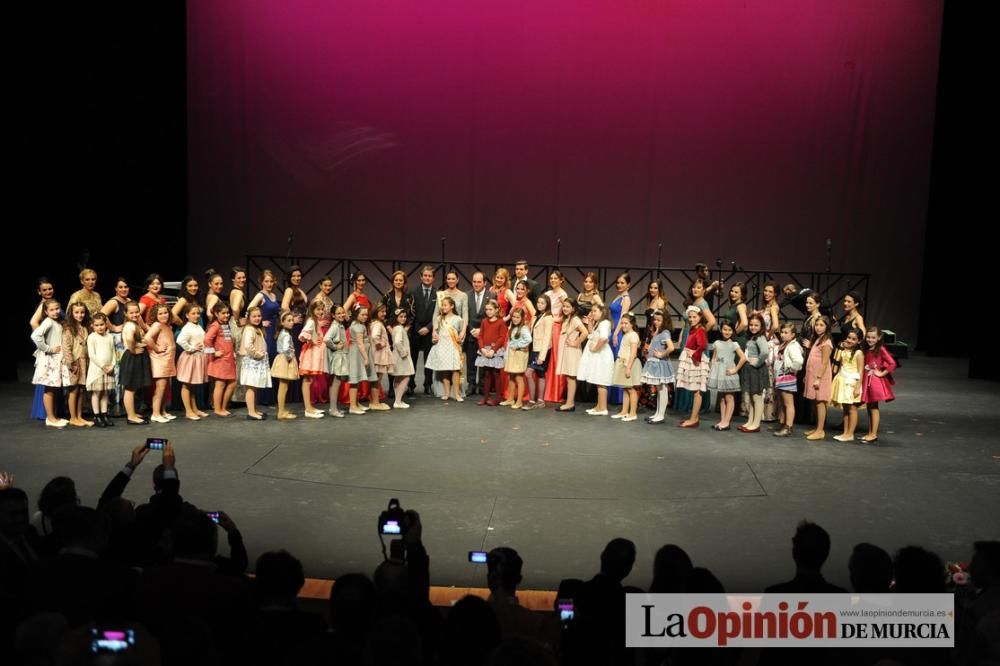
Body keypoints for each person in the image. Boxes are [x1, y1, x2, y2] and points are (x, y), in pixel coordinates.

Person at [31, 299, 67, 428]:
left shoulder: (56, 322)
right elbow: (35, 336)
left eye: (57, 309)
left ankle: (53, 416)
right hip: (50, 359)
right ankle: (50, 418)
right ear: (46, 311)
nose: (55, 312)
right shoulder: (47, 322)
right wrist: (48, 348)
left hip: (56, 359)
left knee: (52, 388)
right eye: (51, 310)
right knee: (49, 388)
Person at [707, 320, 747, 431]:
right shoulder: (717, 343)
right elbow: (714, 358)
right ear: (721, 330)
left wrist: (735, 369)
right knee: (722, 398)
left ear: (733, 331)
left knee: (729, 397)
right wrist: (712, 369)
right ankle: (722, 420)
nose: (727, 332)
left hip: (728, 373)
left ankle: (726, 422)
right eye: (725, 329)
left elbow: (743, 358)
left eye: (729, 330)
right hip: (719, 373)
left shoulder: (734, 344)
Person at [860, 326, 897, 443]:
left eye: (873, 338)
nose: (870, 340)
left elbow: (892, 363)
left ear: (879, 338)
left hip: (874, 381)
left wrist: (881, 373)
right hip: (867, 379)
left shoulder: (880, 349)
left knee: (874, 407)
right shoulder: (868, 348)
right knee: (869, 406)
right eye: (868, 337)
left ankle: (874, 434)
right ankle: (870, 432)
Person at [676, 306, 709, 428]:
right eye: (690, 317)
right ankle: (694, 417)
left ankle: (693, 419)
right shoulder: (692, 329)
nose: (691, 319)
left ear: (700, 317)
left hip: (696, 361)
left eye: (694, 317)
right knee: (695, 390)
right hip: (692, 359)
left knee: (697, 390)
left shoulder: (700, 329)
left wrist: (694, 355)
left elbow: (702, 346)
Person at [143, 304, 177, 424]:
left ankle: (162, 411)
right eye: (160, 313)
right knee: (160, 388)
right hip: (160, 360)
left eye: (165, 313)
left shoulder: (167, 325)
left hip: (167, 360)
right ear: (155, 315)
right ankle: (155, 414)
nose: (164, 315)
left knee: (165, 387)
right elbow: (147, 338)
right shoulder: (157, 325)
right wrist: (156, 348)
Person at [175, 305, 209, 420]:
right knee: (187, 384)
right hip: (190, 358)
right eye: (193, 313)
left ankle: (194, 409)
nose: (196, 316)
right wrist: (191, 348)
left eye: (198, 313)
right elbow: (180, 340)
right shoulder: (187, 327)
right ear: (187, 315)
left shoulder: (198, 326)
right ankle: (188, 411)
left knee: (192, 385)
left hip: (198, 357)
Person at [802, 316, 833, 441]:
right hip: (813, 374)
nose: (818, 327)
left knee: (820, 402)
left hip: (821, 375)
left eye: (821, 325)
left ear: (827, 327)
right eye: (817, 325)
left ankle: (820, 430)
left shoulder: (827, 342)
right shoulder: (818, 339)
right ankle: (817, 427)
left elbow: (825, 362)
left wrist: (819, 378)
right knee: (815, 401)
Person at [829, 329, 863, 442]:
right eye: (849, 337)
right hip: (843, 381)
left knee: (852, 409)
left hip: (852, 383)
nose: (850, 340)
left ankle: (850, 433)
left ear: (859, 341)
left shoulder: (859, 353)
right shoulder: (843, 350)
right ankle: (845, 432)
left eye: (854, 339)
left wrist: (858, 387)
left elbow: (860, 371)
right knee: (845, 409)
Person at [772, 323, 804, 437]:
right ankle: (783, 423)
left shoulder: (793, 346)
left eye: (786, 333)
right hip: (781, 375)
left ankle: (788, 427)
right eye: (782, 332)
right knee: (782, 402)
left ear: (793, 335)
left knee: (788, 403)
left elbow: (799, 361)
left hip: (787, 376)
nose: (783, 334)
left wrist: (790, 369)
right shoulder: (785, 344)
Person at [205, 302, 237, 417]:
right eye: (223, 313)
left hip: (229, 359)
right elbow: (206, 340)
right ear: (216, 314)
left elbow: (228, 340)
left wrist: (232, 352)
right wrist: (213, 353)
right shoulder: (215, 325)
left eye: (228, 313)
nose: (226, 315)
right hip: (221, 360)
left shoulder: (225, 325)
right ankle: (217, 408)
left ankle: (223, 407)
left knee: (232, 383)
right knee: (220, 384)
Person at [239, 306, 271, 420]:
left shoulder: (257, 328)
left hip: (257, 361)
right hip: (252, 361)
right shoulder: (249, 329)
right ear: (249, 318)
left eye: (259, 316)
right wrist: (258, 354)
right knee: (251, 387)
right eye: (254, 316)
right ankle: (251, 412)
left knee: (254, 386)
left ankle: (254, 409)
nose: (257, 318)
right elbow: (248, 346)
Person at [475, 300, 508, 406]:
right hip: (485, 350)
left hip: (495, 351)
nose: (488, 312)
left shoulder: (501, 322)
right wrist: (482, 348)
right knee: (487, 374)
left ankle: (498, 397)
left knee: (496, 374)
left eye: (491, 309)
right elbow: (480, 336)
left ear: (496, 310)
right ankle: (485, 397)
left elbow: (502, 337)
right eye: (487, 309)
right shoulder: (484, 321)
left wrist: (493, 350)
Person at [86, 313, 117, 427]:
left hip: (108, 369)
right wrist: (103, 366)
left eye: (102, 324)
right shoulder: (92, 337)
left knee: (105, 393)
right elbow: (92, 355)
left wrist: (112, 365)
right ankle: (97, 415)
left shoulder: (109, 337)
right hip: (98, 370)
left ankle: (104, 415)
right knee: (97, 392)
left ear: (106, 324)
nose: (100, 327)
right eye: (97, 325)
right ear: (92, 326)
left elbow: (113, 352)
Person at [611, 313, 642, 422]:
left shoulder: (633, 335)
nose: (623, 325)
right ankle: (624, 411)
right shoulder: (626, 335)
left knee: (631, 389)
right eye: (622, 323)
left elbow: (633, 353)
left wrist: (628, 367)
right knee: (625, 388)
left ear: (632, 324)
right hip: (622, 362)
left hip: (629, 364)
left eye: (626, 323)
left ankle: (633, 413)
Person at [411, 266, 437, 393]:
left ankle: (428, 385)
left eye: (430, 276)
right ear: (421, 277)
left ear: (433, 278)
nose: (427, 278)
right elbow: (411, 313)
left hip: (430, 331)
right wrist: (418, 328)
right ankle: (411, 385)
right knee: (413, 359)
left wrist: (428, 328)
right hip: (415, 331)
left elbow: (438, 315)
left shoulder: (437, 294)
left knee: (429, 359)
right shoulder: (413, 293)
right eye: (425, 275)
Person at [271, 310, 300, 420]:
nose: (292, 322)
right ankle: (281, 412)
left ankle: (282, 410)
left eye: (292, 320)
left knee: (284, 387)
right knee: (283, 387)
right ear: (282, 322)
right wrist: (290, 357)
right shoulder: (286, 334)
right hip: (285, 360)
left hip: (282, 358)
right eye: (289, 320)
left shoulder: (283, 333)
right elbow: (285, 349)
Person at [465, 271, 489, 395]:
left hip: (485, 334)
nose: (476, 284)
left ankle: (482, 386)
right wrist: (471, 330)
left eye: (479, 282)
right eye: (474, 281)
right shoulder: (466, 295)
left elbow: (493, 316)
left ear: (484, 282)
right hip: (471, 333)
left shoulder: (492, 295)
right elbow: (465, 316)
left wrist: (481, 330)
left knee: (484, 361)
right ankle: (471, 384)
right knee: (471, 360)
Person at [391, 309, 415, 408]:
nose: (403, 318)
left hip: (397, 356)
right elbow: (397, 342)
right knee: (406, 377)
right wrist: (403, 352)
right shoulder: (400, 329)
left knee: (398, 377)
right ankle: (398, 401)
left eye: (405, 317)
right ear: (396, 318)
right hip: (401, 357)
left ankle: (398, 400)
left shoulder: (397, 328)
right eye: (401, 317)